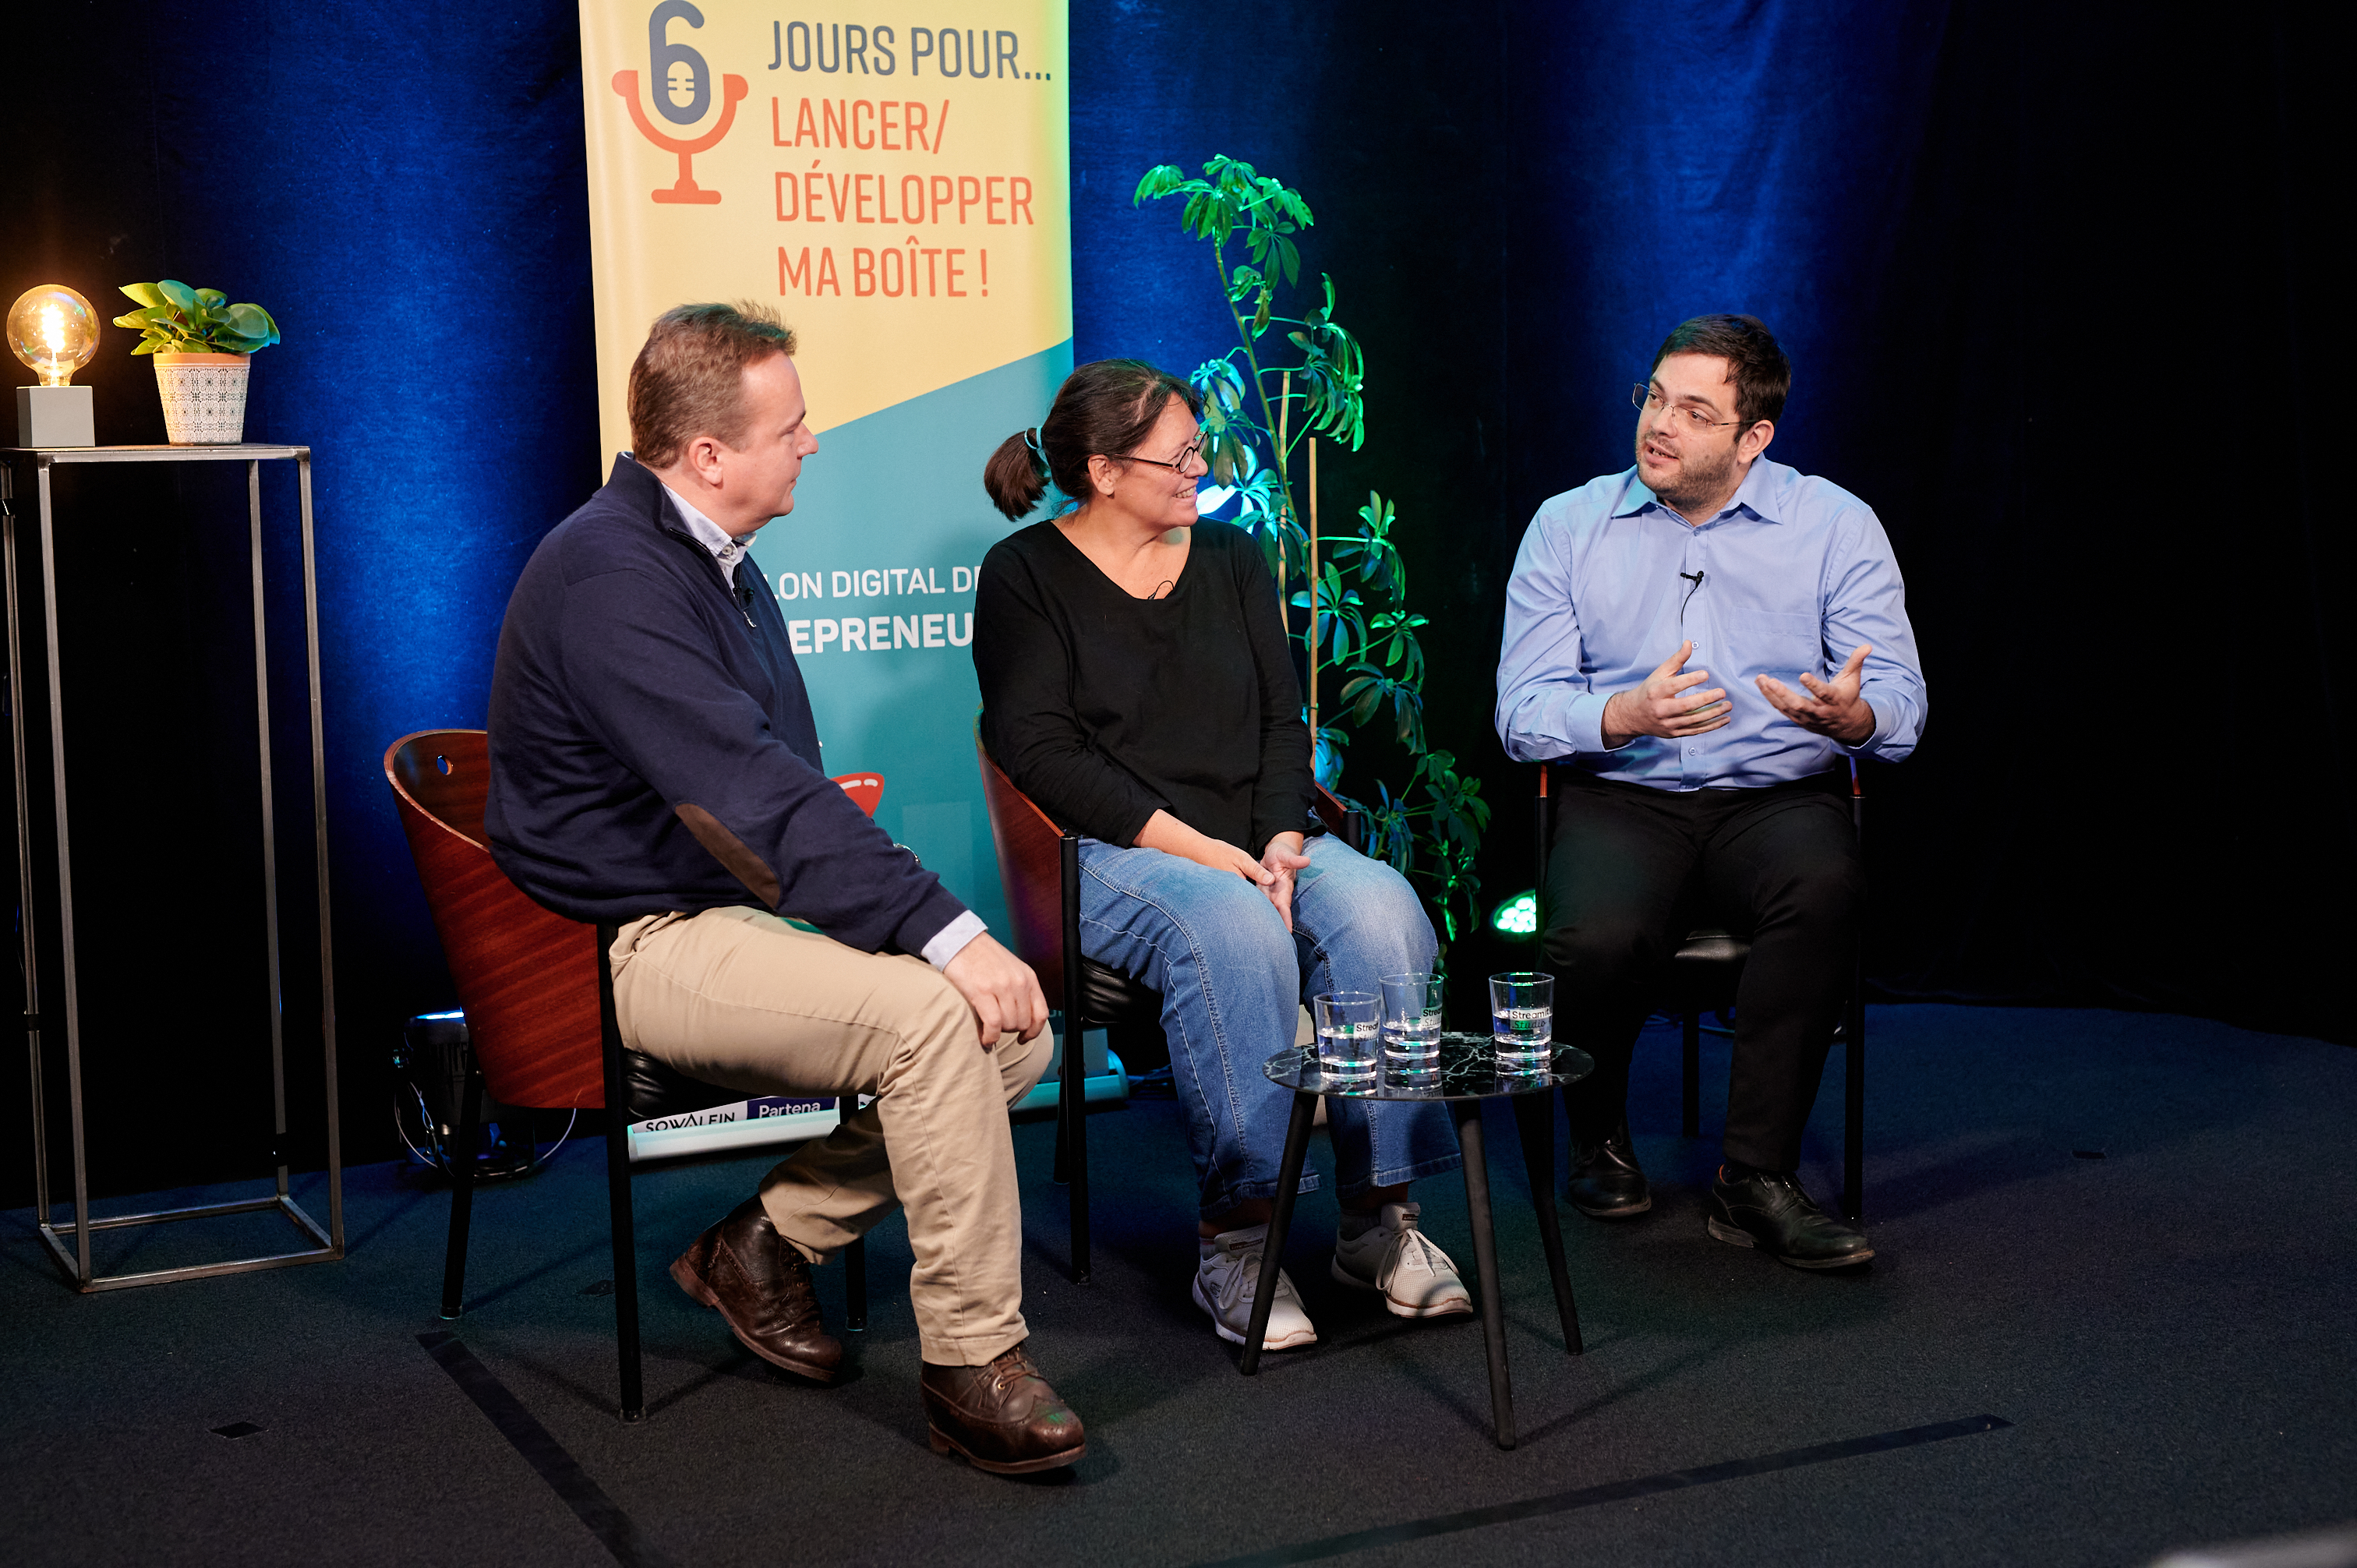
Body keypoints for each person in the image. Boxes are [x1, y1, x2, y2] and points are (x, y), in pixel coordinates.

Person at [484, 302, 1087, 1475]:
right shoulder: (613, 574)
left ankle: (761, 1244)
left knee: (1015, 1040)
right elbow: (753, 789)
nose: (813, 442)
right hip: (622, 947)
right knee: (934, 1014)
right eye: (793, 425)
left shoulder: (715, 564)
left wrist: (909, 935)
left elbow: (777, 786)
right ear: (709, 454)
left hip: (713, 913)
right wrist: (945, 935)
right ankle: (973, 1367)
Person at [972, 358, 1470, 1351]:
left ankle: (1380, 1220)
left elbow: (1286, 722)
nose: (1202, 468)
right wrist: (1208, 853)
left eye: (1202, 448)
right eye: (1182, 454)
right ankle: (1238, 1236)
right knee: (1234, 926)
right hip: (1117, 849)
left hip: (1263, 838)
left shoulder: (1234, 557)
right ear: (1105, 471)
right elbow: (1040, 753)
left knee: (1384, 913)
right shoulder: (1024, 575)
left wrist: (1283, 839)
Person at [1495, 313, 1927, 1269]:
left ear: (1753, 439)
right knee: (1595, 931)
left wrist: (1850, 718)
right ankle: (1599, 1132)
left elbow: (1902, 704)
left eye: (1694, 410)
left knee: (1825, 892)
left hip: (1776, 796)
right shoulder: (1568, 526)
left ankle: (1754, 1178)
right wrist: (1623, 715)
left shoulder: (1835, 524)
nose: (1659, 423)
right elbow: (1521, 711)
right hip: (1625, 793)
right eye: (1654, 396)